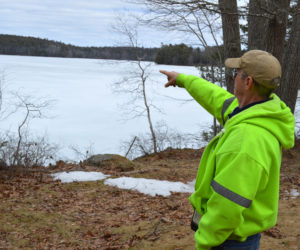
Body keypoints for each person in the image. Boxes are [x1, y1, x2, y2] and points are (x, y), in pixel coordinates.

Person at [160, 50, 295, 250]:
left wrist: (204, 243)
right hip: (236, 237)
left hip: (227, 242)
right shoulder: (257, 110)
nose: (233, 77)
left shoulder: (246, 140)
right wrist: (183, 80)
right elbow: (215, 97)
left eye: (236, 73)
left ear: (248, 81)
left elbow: (227, 206)